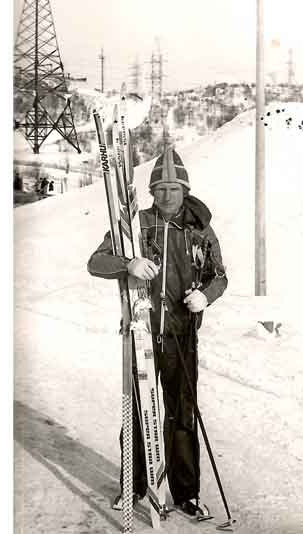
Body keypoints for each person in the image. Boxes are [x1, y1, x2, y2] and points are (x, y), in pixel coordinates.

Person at [87, 147, 227, 517]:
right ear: (152, 192)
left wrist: (205, 297)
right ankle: (131, 487)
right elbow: (96, 263)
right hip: (141, 332)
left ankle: (186, 493)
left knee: (181, 414)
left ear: (185, 191)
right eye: (160, 189)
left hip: (182, 336)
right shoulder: (135, 224)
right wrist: (128, 263)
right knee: (136, 413)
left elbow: (220, 275)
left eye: (174, 189)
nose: (167, 195)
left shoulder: (199, 229)